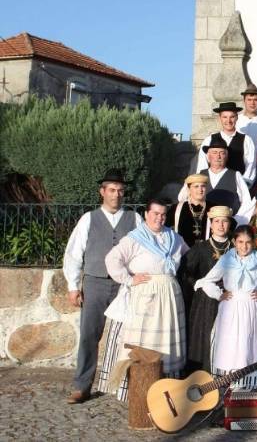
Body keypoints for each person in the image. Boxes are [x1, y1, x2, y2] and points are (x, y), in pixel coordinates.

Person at [62, 169, 141, 404]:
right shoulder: (89, 218)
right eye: (112, 190)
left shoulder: (134, 219)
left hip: (124, 285)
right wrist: (73, 286)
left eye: (120, 190)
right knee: (89, 335)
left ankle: (125, 385)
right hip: (95, 283)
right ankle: (82, 386)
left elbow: (141, 250)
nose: (116, 194)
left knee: (128, 337)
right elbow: (74, 253)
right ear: (102, 192)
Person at [103, 200, 189, 400]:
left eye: (163, 215)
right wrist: (129, 279)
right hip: (146, 297)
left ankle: (167, 390)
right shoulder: (135, 238)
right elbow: (112, 259)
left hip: (169, 296)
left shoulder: (173, 238)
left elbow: (188, 255)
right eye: (155, 213)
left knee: (166, 341)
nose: (159, 218)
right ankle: (139, 390)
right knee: (144, 342)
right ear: (146, 214)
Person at [195, 225, 257, 374]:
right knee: (230, 345)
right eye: (240, 242)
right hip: (230, 307)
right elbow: (207, 281)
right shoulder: (227, 259)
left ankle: (250, 386)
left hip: (252, 306)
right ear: (234, 242)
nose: (244, 246)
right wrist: (219, 294)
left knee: (249, 345)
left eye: (248, 242)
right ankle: (228, 384)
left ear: (254, 242)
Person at [177, 206, 234, 373]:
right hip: (205, 303)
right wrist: (198, 284)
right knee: (205, 338)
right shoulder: (201, 248)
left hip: (230, 300)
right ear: (211, 224)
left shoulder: (236, 248)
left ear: (229, 224)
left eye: (224, 221)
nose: (221, 225)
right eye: (217, 221)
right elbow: (185, 272)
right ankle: (203, 376)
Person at [182, 135, 253, 216]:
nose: (218, 156)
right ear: (208, 156)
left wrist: (237, 220)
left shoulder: (236, 175)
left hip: (228, 223)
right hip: (202, 223)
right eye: (214, 152)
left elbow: (247, 202)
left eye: (222, 153)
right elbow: (183, 198)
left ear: (226, 156)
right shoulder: (198, 176)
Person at [196, 101, 257, 186]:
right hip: (213, 187)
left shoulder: (246, 140)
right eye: (225, 117)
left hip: (237, 187)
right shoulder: (209, 140)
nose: (228, 121)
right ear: (219, 118)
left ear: (237, 117)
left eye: (232, 117)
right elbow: (202, 165)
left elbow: (251, 166)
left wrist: (243, 186)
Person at [168, 174, 212, 246]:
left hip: (207, 252)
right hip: (182, 251)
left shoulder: (213, 208)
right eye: (196, 186)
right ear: (189, 189)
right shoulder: (177, 208)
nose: (200, 190)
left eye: (203, 186)